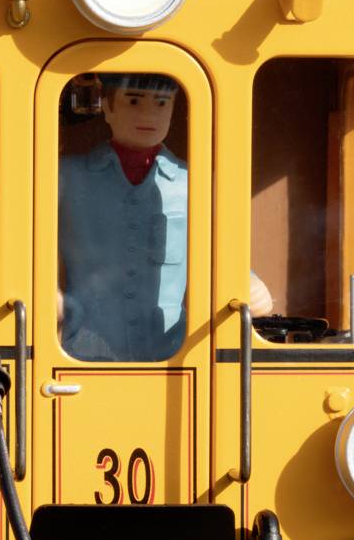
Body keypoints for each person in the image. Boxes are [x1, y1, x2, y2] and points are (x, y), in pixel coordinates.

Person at [58, 73, 274, 362]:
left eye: (162, 103)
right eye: (133, 100)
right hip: (82, 352)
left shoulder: (194, 183)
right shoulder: (66, 176)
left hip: (173, 353)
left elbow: (222, 250)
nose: (149, 113)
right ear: (107, 107)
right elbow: (27, 244)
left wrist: (249, 284)